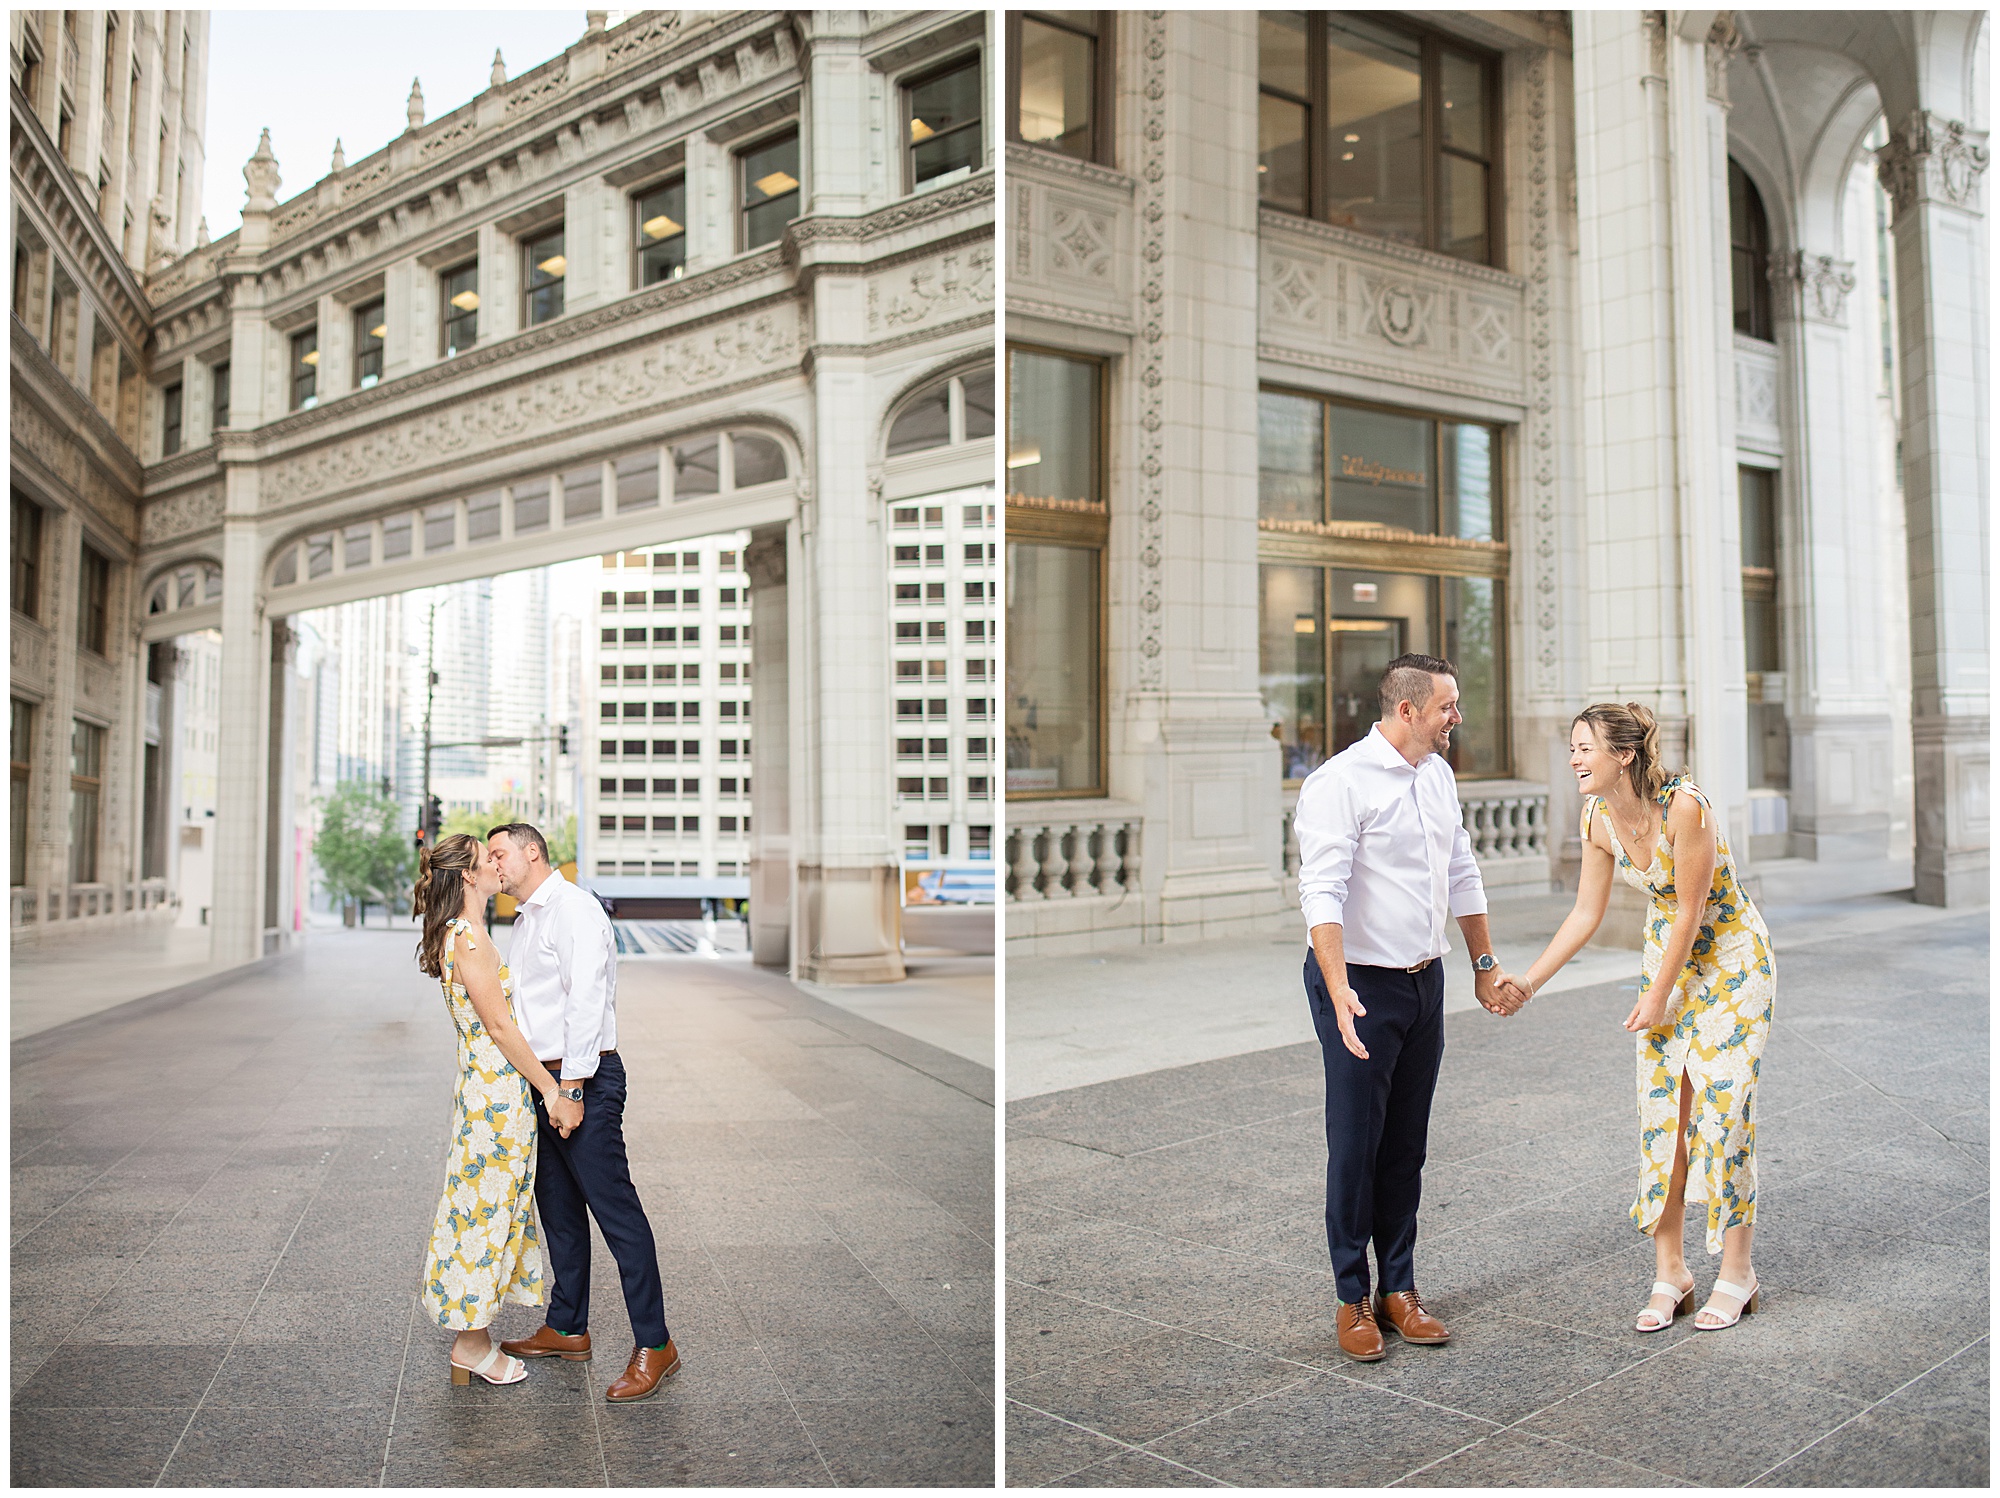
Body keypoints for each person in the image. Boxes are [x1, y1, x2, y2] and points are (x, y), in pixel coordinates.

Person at [1498, 704, 1772, 1332]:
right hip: (1666, 965)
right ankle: (1671, 1272)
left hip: (1731, 961)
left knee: (1724, 1111)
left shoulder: (1685, 808)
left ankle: (1737, 1272)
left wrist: (1657, 997)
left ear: (1623, 755)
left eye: (1585, 748)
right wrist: (1529, 983)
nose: (1573, 759)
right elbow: (1584, 915)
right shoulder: (1597, 819)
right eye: (1571, 747)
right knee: (1664, 1116)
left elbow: (1690, 911)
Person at [1294, 653, 1523, 1363]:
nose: (1458, 716)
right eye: (1448, 705)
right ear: (1408, 710)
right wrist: (1338, 992)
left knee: (1407, 1146)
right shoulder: (1340, 783)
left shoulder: (1439, 774)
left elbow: (1461, 867)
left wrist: (1484, 965)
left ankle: (1400, 1288)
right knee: (1357, 1145)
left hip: (1426, 982)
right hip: (1360, 983)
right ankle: (1350, 1298)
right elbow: (1321, 891)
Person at [487, 823, 681, 1401]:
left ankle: (657, 1342)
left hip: (583, 1080)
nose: (493, 864)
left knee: (616, 1213)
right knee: (561, 1212)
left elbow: (586, 999)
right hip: (542, 1080)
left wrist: (569, 1089)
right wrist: (544, 1086)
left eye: (499, 854)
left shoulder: (573, 908)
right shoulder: (526, 920)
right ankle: (568, 1325)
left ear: (531, 852)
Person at [412, 833, 572, 1386]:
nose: (497, 868)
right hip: (496, 1096)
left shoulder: (464, 935)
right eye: (488, 861)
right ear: (468, 877)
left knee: (481, 1208)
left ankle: (472, 1341)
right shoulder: (471, 941)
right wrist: (552, 1088)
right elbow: (501, 1026)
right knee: (484, 1214)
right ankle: (471, 1346)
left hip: (483, 1089)